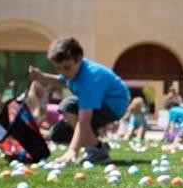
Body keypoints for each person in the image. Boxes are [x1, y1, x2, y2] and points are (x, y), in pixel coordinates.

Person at [29, 36, 130, 164]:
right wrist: (42, 77)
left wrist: (72, 150)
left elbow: (84, 120)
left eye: (66, 67)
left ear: (79, 59)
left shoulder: (89, 78)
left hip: (113, 105)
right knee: (58, 133)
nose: (63, 72)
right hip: (104, 105)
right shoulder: (74, 72)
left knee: (68, 105)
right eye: (58, 68)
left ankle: (96, 152)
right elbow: (63, 81)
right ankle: (98, 146)